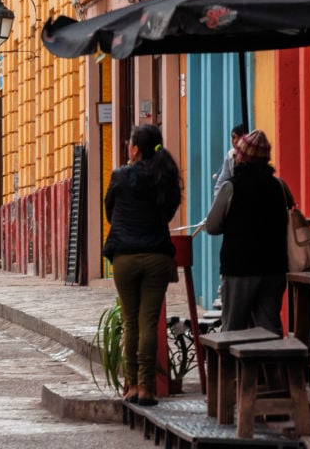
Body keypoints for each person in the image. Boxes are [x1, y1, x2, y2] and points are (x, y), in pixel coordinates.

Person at [103, 123, 182, 407]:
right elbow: (168, 213)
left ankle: (132, 386)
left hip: (124, 256)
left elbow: (110, 211)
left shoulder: (120, 176)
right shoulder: (165, 177)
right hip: (157, 256)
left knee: (130, 321)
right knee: (148, 322)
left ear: (135, 149)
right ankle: (147, 388)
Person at [205, 129, 290, 334]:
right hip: (273, 267)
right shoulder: (279, 186)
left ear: (241, 156)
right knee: (269, 329)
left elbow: (212, 226)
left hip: (239, 268)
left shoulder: (230, 188)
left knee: (233, 329)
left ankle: (233, 368)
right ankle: (270, 366)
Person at [214, 123, 248, 191]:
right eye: (232, 138)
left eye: (236, 137)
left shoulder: (250, 155)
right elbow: (220, 184)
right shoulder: (230, 156)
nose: (234, 141)